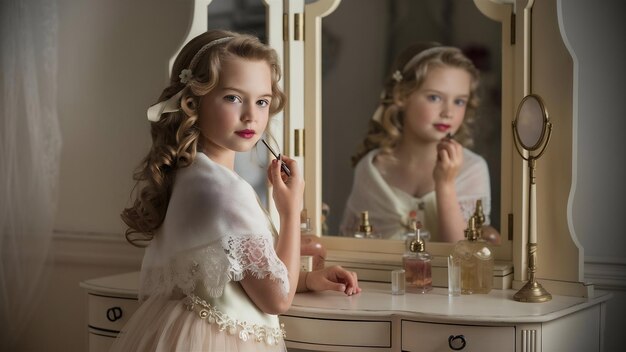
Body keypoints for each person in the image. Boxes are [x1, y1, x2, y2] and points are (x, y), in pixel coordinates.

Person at [113, 29, 360, 352]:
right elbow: (276, 299)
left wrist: (309, 279)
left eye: (262, 101)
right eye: (233, 97)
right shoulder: (224, 191)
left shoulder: (190, 174)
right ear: (193, 101)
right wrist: (289, 211)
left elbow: (235, 278)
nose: (251, 116)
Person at [339, 42, 493, 243]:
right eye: (435, 97)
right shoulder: (372, 170)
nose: (448, 112)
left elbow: (465, 256)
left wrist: (445, 184)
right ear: (402, 95)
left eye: (459, 101)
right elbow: (353, 249)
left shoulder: (472, 170)